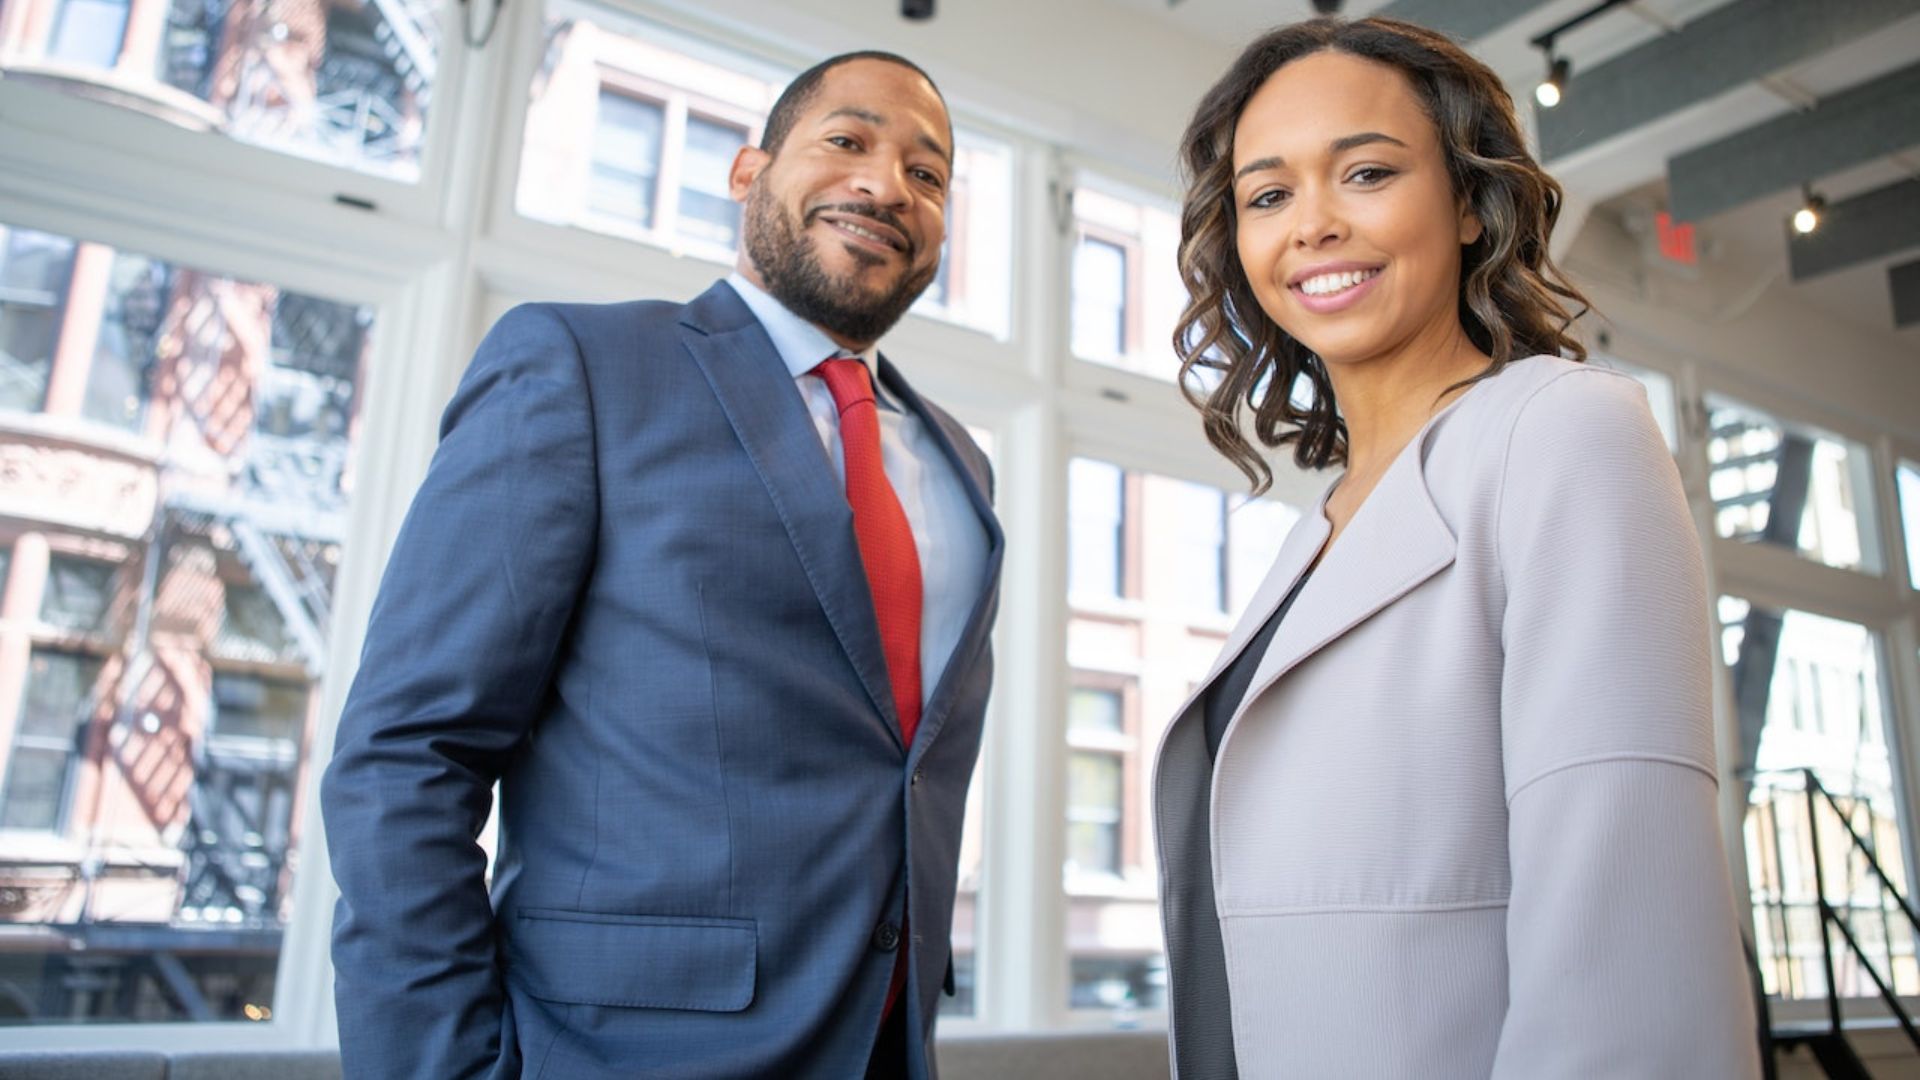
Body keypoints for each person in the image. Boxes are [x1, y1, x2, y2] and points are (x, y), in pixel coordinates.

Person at [321, 51, 1002, 1080]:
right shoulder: (579, 368)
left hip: (886, 1047)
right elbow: (412, 754)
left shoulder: (962, 464)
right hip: (616, 1048)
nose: (885, 184)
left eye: (929, 173)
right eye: (848, 142)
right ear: (747, 172)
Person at [1152, 17, 1758, 1078]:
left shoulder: (1562, 430)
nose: (1313, 226)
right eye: (1268, 195)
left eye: (1368, 172)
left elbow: (1630, 944)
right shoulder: (1320, 530)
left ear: (1471, 204)